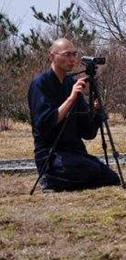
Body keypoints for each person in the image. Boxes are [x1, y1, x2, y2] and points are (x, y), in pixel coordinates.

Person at [28, 38, 120, 192]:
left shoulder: (71, 83)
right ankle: (49, 180)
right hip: (51, 154)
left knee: (111, 177)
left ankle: (65, 182)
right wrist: (71, 98)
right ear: (52, 56)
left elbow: (87, 132)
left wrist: (96, 112)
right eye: (66, 54)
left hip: (75, 152)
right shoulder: (40, 83)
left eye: (74, 54)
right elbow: (45, 123)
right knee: (88, 169)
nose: (71, 59)